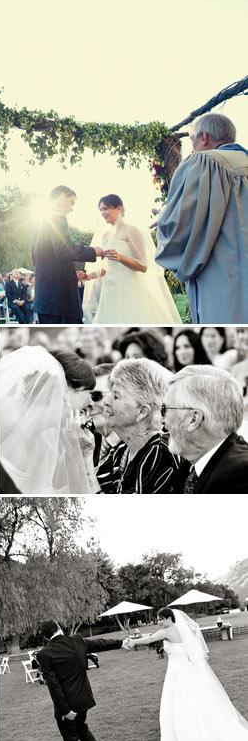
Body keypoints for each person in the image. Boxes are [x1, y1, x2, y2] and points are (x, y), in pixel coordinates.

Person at [156, 109, 248, 321]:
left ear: (203, 137)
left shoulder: (205, 162)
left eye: (192, 140)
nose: (192, 147)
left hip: (223, 277)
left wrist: (163, 219)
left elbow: (180, 224)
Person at [0, 343, 94, 493]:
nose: (92, 404)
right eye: (91, 394)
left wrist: (75, 451)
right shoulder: (9, 420)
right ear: (66, 389)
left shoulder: (48, 440)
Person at [159, 607, 248, 741]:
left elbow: (149, 638)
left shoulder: (167, 631)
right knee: (190, 701)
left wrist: (132, 642)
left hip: (178, 672)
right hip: (182, 670)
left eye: (161, 619)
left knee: (182, 703)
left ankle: (193, 740)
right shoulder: (180, 629)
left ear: (169, 618)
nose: (158, 622)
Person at [35, 623, 109, 741]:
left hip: (69, 705)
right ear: (59, 628)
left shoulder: (44, 653)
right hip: (83, 700)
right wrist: (123, 642)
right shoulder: (77, 640)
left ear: (46, 636)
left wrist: (64, 710)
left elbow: (53, 685)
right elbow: (101, 643)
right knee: (82, 729)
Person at [88, 193, 178, 325]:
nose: (103, 213)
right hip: (110, 290)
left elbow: (142, 266)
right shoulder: (106, 236)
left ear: (118, 208)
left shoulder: (131, 231)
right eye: (101, 210)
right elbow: (107, 267)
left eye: (106, 208)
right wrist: (89, 276)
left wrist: (120, 257)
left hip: (130, 287)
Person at [96, 357, 183, 493]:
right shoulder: (122, 449)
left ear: (142, 411)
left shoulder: (160, 455)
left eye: (116, 396)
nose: (106, 402)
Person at [163, 364, 248, 489]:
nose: (162, 421)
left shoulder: (241, 475)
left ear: (193, 419)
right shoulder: (189, 468)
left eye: (164, 410)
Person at [32, 187, 97, 323]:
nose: (72, 208)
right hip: (59, 299)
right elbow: (64, 249)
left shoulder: (39, 221)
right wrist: (93, 251)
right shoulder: (57, 217)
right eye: (71, 202)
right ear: (62, 195)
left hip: (46, 298)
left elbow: (44, 258)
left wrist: (71, 273)